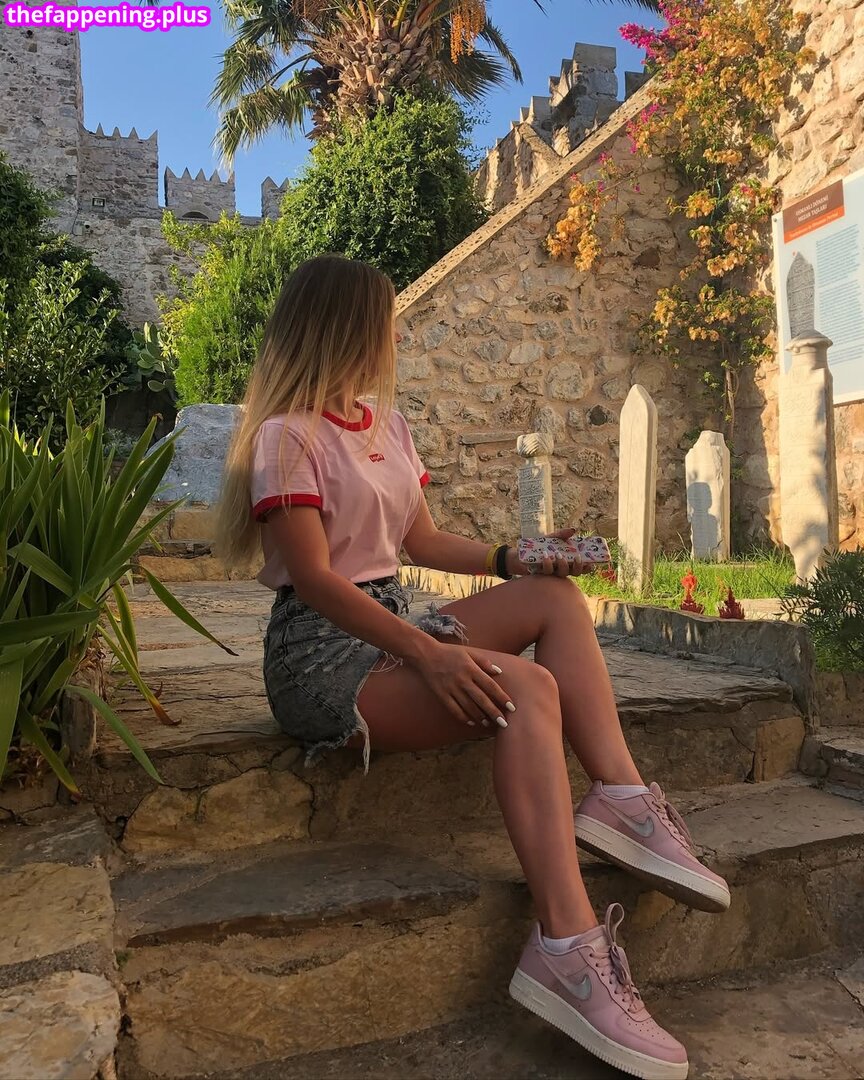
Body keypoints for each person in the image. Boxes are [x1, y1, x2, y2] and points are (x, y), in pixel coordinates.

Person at [217, 254, 730, 1080]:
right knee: (523, 687)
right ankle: (567, 949)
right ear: (345, 326)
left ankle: (623, 801)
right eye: (383, 321)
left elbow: (419, 541)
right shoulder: (286, 437)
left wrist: (518, 556)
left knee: (553, 599)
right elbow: (312, 577)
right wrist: (429, 653)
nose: (392, 336)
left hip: (394, 622)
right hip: (320, 653)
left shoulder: (385, 425)